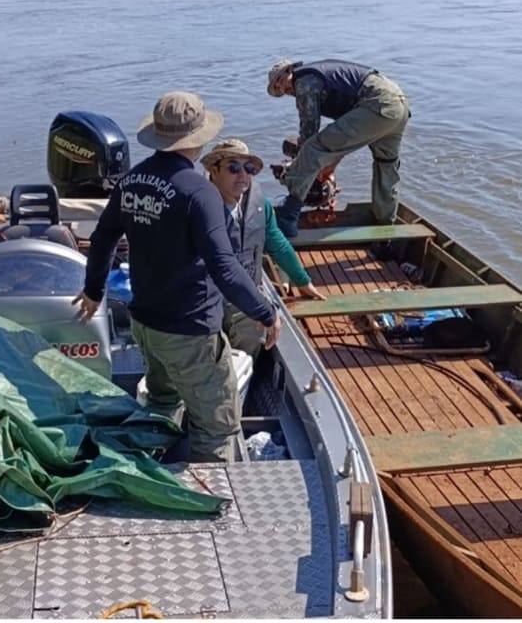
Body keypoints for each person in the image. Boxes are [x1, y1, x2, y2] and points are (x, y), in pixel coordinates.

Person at [71, 92, 281, 463]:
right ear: (198, 139)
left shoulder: (132, 181)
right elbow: (225, 265)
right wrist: (265, 312)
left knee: (162, 400)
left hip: (146, 325)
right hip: (189, 332)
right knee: (217, 424)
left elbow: (103, 236)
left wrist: (93, 290)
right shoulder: (199, 192)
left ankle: (153, 465)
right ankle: (211, 501)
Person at [201, 139, 327, 358]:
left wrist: (302, 280)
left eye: (248, 168)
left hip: (246, 292)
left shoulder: (259, 204)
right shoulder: (196, 204)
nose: (243, 175)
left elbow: (277, 243)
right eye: (233, 167)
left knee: (251, 340)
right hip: (208, 296)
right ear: (214, 170)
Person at [267, 58, 410, 237]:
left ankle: (289, 215)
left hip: (376, 104)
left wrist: (298, 168)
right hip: (398, 105)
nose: (283, 90)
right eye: (278, 90)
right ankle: (386, 231)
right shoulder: (329, 78)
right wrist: (330, 166)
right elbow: (342, 142)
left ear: (290, 71)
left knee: (312, 147)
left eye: (280, 82)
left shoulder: (303, 81)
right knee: (386, 165)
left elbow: (309, 131)